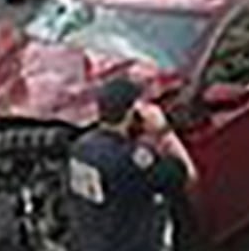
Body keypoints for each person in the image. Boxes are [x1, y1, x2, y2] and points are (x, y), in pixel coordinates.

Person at [66, 78, 199, 251]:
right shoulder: (130, 160)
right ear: (131, 112)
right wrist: (164, 131)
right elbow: (188, 174)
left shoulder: (81, 149)